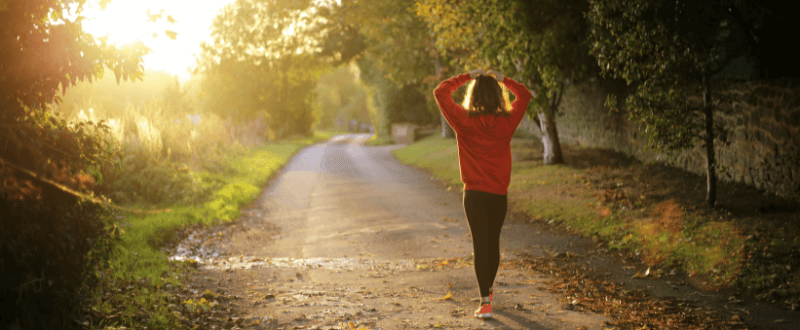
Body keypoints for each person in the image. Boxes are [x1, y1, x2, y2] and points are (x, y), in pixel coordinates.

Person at [433, 69, 531, 319]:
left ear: (473, 96)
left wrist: (466, 76)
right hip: (498, 193)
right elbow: (525, 94)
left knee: (480, 244)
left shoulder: (463, 120)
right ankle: (487, 290)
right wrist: (504, 79)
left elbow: (440, 92)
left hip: (474, 194)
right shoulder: (507, 122)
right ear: (499, 97)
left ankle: (485, 301)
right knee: (493, 242)